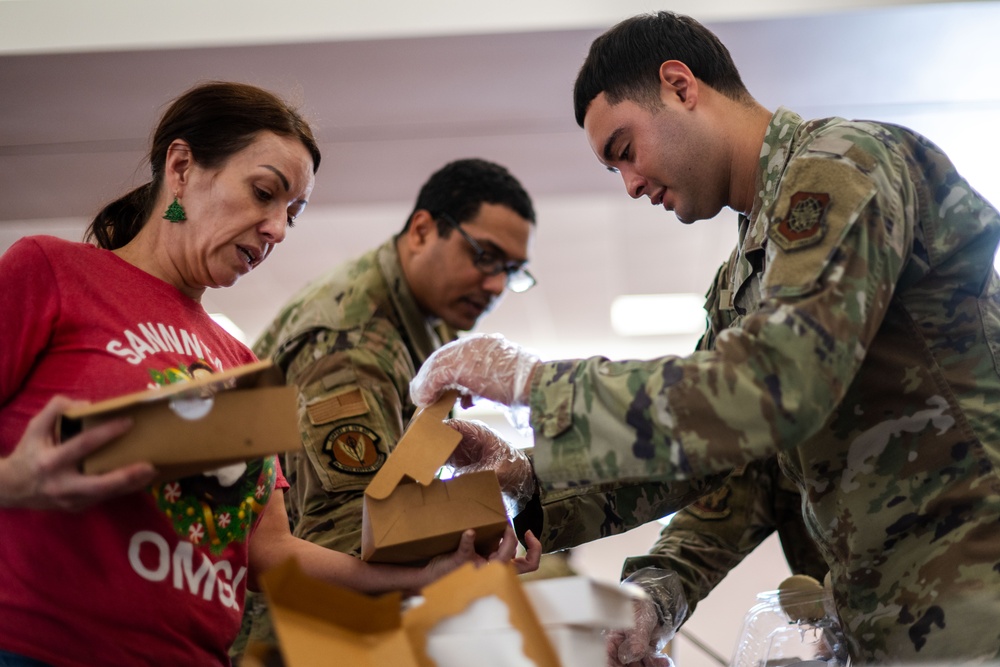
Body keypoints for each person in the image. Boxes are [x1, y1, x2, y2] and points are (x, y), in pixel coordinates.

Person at [408, 10, 1000, 663]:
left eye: (625, 149)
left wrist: (534, 385)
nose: (630, 184)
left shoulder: (844, 165)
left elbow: (774, 387)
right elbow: (731, 463)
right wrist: (530, 482)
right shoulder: (743, 277)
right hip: (890, 629)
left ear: (680, 85)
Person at [0, 81, 535, 667]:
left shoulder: (243, 363)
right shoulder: (51, 273)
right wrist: (15, 482)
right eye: (263, 193)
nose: (277, 228)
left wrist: (420, 578)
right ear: (181, 168)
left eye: (292, 213)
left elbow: (270, 551)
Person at [231, 157, 546, 655]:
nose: (495, 285)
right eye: (485, 256)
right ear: (422, 230)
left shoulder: (425, 324)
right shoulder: (352, 344)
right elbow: (346, 538)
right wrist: (482, 518)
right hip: (295, 643)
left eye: (511, 271)